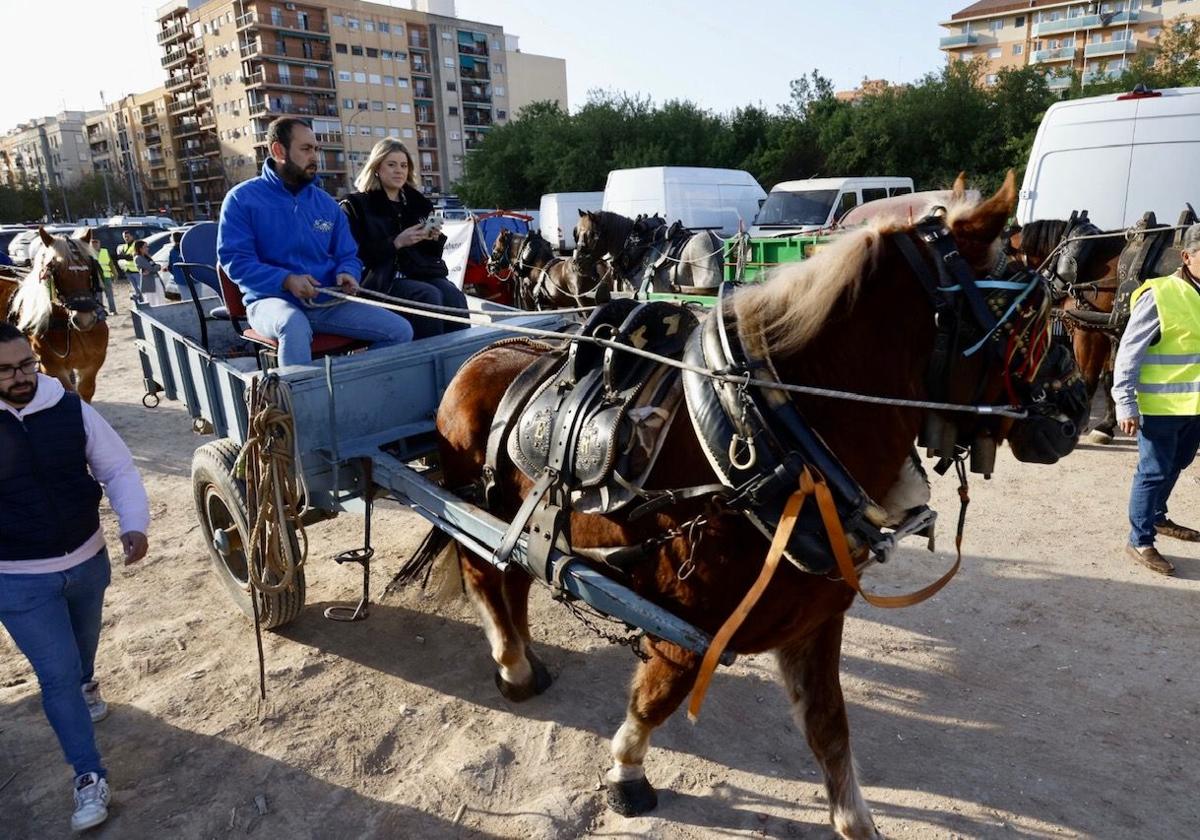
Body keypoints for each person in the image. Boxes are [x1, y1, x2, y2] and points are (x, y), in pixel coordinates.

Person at [0, 322, 149, 832]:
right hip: (17, 578)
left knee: (82, 654)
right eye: (5, 371)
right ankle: (89, 775)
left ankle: (88, 680)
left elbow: (118, 469)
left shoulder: (69, 406)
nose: (20, 378)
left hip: (88, 561)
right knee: (56, 674)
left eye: (26, 365)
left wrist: (134, 524)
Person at [217, 117, 413, 366]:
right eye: (306, 149)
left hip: (325, 302)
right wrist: (286, 280)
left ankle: (348, 389)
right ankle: (298, 402)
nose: (315, 157)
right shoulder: (241, 200)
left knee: (400, 331)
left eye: (316, 149)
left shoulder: (326, 204)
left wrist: (347, 272)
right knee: (293, 324)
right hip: (269, 302)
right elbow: (235, 261)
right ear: (279, 150)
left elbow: (348, 255)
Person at [1112, 223, 1200, 575]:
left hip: (1194, 407)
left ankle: (1158, 517)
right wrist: (1125, 402)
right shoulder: (1161, 295)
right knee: (1153, 471)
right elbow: (1128, 353)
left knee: (1177, 464)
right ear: (1186, 256)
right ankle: (1140, 540)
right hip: (1160, 406)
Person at [340, 138, 468, 339]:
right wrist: (396, 242)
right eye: (391, 165)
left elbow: (430, 255)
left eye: (404, 165)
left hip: (418, 272)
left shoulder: (419, 203)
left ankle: (460, 357)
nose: (399, 170)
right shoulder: (356, 205)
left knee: (453, 294)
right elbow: (355, 254)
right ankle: (429, 360)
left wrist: (432, 238)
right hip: (380, 280)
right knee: (428, 295)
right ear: (376, 168)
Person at [131, 239, 164, 307]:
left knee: (161, 300)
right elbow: (150, 268)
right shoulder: (138, 258)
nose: (147, 248)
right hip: (148, 283)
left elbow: (155, 267)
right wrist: (155, 267)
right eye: (145, 247)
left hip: (156, 279)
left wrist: (156, 267)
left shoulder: (147, 257)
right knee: (151, 302)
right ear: (140, 249)